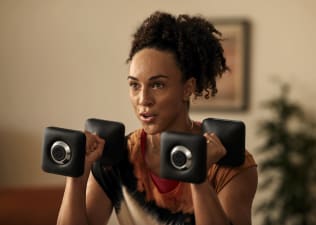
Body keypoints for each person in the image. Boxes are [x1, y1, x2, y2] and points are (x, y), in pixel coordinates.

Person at [57, 11, 257, 225]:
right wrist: (76, 176)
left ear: (187, 88)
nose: (143, 99)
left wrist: (198, 178)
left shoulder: (226, 162)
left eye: (157, 85)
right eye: (135, 85)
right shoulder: (116, 156)